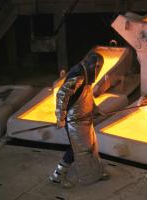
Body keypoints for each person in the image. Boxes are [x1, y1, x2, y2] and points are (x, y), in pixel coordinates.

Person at [49, 51, 107, 188]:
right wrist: (60, 117)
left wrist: (95, 109)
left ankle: (95, 173)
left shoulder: (86, 74)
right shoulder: (78, 75)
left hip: (84, 118)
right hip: (74, 120)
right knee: (77, 149)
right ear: (95, 66)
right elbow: (62, 95)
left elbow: (86, 95)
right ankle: (57, 176)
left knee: (91, 146)